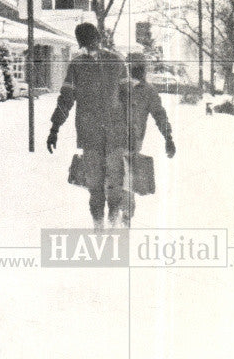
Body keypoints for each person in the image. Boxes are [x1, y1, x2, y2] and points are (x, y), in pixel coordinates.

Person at [46, 23, 128, 229]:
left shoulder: (116, 62)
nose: (90, 45)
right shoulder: (78, 65)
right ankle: (100, 226)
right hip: (92, 135)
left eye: (91, 39)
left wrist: (132, 132)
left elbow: (129, 100)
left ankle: (112, 221)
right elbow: (66, 99)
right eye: (86, 41)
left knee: (112, 184)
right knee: (97, 186)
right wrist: (54, 128)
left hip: (113, 134)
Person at [116, 52, 176, 226]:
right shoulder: (117, 86)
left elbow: (159, 114)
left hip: (132, 142)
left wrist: (168, 137)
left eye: (141, 68)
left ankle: (125, 216)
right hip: (111, 138)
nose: (139, 71)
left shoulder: (148, 91)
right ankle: (117, 213)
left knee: (127, 177)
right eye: (135, 68)